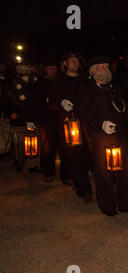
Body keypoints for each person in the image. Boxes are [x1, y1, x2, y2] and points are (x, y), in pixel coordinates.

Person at [77, 56, 128, 216]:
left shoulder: (115, 87)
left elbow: (123, 106)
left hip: (121, 134)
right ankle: (108, 205)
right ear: (92, 71)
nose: (105, 69)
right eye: (101, 66)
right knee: (103, 171)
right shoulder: (86, 90)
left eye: (107, 66)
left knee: (125, 169)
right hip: (100, 136)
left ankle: (126, 203)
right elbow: (83, 112)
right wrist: (100, 124)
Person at [49, 52, 94, 203]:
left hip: (86, 121)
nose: (75, 63)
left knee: (88, 152)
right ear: (65, 64)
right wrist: (61, 102)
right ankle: (84, 190)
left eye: (76, 61)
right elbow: (53, 99)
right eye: (71, 61)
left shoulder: (85, 79)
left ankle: (75, 176)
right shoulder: (59, 80)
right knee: (75, 153)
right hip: (70, 123)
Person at [27, 59, 59, 180]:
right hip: (45, 119)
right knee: (47, 148)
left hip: (60, 118)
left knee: (63, 146)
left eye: (54, 68)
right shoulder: (39, 83)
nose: (52, 70)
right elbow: (32, 102)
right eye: (50, 68)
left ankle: (67, 174)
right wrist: (31, 119)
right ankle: (48, 172)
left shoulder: (60, 82)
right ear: (45, 69)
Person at [6, 61, 40, 172]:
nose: (25, 72)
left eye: (27, 70)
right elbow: (8, 100)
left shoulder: (35, 83)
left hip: (32, 117)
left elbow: (36, 100)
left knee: (33, 141)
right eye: (22, 70)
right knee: (20, 143)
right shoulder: (13, 84)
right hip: (19, 118)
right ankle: (19, 163)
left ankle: (32, 165)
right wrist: (10, 113)